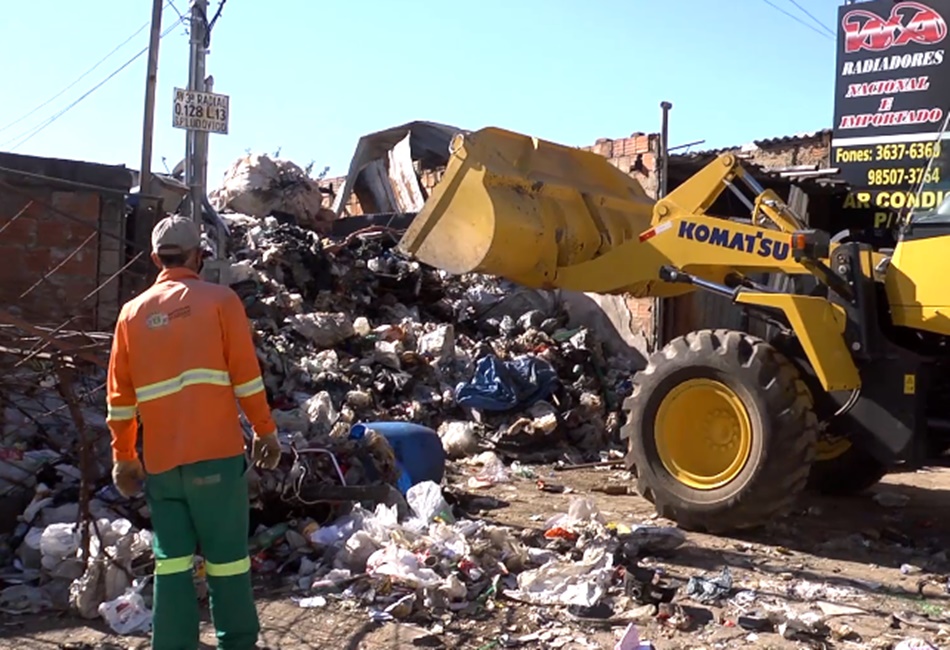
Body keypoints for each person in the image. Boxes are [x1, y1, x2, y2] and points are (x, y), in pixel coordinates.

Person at [105, 215, 282, 650]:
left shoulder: (130, 315)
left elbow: (119, 399)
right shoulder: (221, 302)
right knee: (226, 562)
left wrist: (124, 456)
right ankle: (236, 644)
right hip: (217, 458)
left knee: (171, 563)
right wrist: (265, 431)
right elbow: (247, 378)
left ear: (153, 259)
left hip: (162, 465)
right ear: (199, 256)